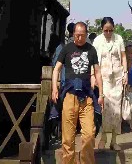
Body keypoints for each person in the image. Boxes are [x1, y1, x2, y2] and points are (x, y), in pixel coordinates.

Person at [52, 22, 103, 164]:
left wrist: (101, 94)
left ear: (86, 34)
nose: (79, 38)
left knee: (89, 135)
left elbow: (97, 72)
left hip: (86, 98)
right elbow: (56, 69)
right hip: (70, 96)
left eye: (82, 35)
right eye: (77, 35)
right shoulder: (67, 49)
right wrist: (54, 88)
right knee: (68, 138)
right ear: (73, 34)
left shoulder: (91, 50)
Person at [91, 17, 127, 151]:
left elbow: (123, 57)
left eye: (110, 30)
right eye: (106, 30)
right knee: (105, 108)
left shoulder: (119, 39)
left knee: (117, 109)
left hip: (117, 77)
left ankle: (114, 140)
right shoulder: (97, 41)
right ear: (102, 29)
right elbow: (93, 60)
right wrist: (93, 76)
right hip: (103, 78)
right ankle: (103, 138)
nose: (108, 33)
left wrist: (125, 73)